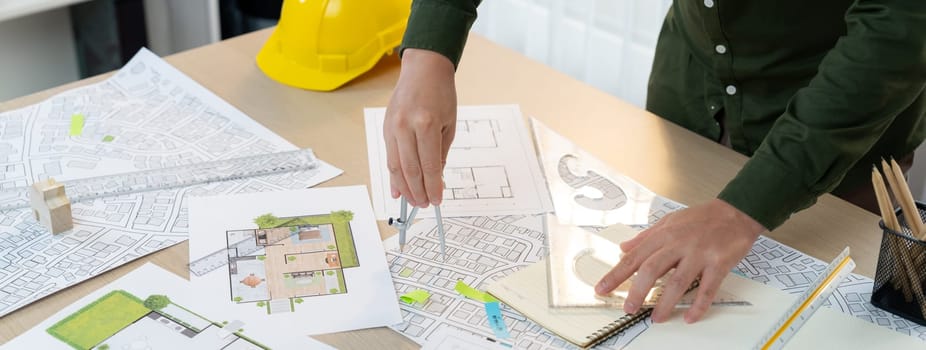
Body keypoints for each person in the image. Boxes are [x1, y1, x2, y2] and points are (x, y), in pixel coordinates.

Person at [383, 0, 925, 324]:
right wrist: (431, 50)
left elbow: (899, 27)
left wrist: (743, 209)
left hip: (839, 127)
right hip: (689, 97)